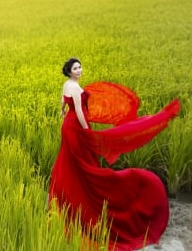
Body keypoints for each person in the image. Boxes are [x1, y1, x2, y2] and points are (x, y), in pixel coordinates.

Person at [49, 57, 181, 251]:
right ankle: (84, 204)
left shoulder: (66, 85)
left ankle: (68, 203)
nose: (79, 70)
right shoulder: (76, 89)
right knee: (84, 167)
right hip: (77, 130)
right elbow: (78, 110)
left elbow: (63, 103)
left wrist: (62, 113)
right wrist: (88, 132)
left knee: (74, 166)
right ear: (69, 71)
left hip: (68, 128)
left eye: (80, 67)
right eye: (75, 68)